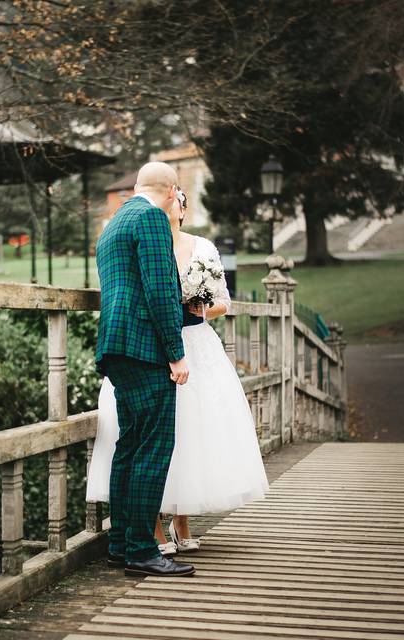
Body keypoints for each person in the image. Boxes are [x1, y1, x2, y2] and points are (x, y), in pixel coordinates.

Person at [88, 187, 269, 555]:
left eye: (184, 201)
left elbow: (222, 300)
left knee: (188, 434)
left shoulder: (201, 248)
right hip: (154, 346)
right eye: (176, 196)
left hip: (194, 345)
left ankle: (176, 521)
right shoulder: (146, 232)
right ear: (168, 198)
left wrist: (198, 310)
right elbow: (151, 292)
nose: (178, 204)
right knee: (150, 440)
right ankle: (148, 532)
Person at [93, 161, 195, 578]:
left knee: (131, 446)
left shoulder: (115, 223)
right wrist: (176, 352)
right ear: (172, 192)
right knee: (154, 447)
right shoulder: (153, 217)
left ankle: (121, 544)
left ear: (136, 187)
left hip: (116, 346)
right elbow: (157, 288)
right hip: (146, 348)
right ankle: (141, 550)